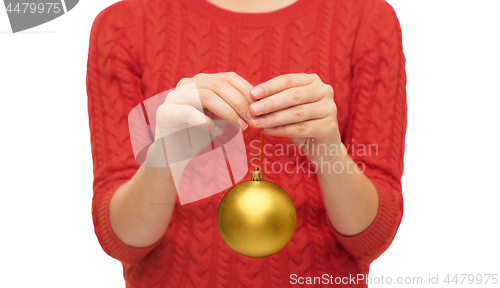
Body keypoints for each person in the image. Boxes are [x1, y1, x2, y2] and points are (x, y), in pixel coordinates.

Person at [86, 0, 406, 286]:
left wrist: (328, 153)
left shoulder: (368, 19)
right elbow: (121, 241)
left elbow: (372, 239)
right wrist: (166, 156)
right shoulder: (122, 26)